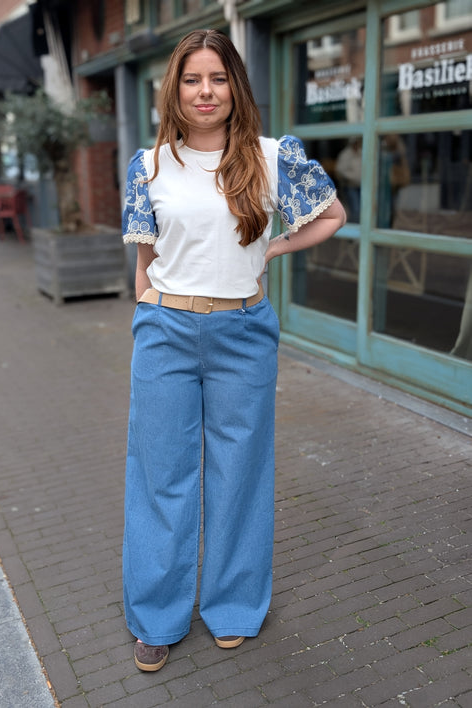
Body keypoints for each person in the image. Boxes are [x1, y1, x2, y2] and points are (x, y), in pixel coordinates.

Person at [122, 28, 346, 672]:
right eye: (192, 79)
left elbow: (331, 215)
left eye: (218, 78)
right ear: (175, 89)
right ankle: (157, 618)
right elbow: (145, 257)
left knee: (239, 474)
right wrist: (148, 303)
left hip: (243, 333)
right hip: (165, 331)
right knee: (160, 476)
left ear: (235, 87)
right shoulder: (150, 165)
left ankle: (234, 607)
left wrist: (273, 248)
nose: (205, 91)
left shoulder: (271, 158)